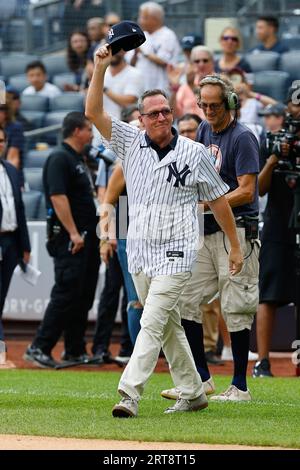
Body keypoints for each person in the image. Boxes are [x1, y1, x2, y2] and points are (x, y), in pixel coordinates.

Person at [86, 43, 244, 417]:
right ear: (141, 118)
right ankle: (193, 391)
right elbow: (92, 111)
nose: (161, 117)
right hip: (140, 250)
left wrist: (234, 247)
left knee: (152, 320)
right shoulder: (128, 141)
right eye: (153, 113)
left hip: (177, 250)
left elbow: (220, 201)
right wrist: (100, 68)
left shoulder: (194, 152)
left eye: (166, 111)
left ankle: (129, 394)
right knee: (168, 325)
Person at [162, 75, 260, 402]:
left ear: (230, 103)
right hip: (206, 231)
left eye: (214, 105)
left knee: (237, 306)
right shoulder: (204, 129)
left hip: (238, 231)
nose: (207, 110)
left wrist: (209, 202)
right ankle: (201, 379)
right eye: (203, 104)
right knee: (185, 299)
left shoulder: (243, 137)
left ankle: (240, 386)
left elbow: (247, 191)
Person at [24, 112, 100, 368]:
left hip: (86, 237)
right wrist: (73, 232)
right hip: (70, 238)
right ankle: (39, 346)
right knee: (66, 292)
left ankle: (74, 349)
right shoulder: (59, 158)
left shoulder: (78, 159)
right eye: (88, 129)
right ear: (77, 131)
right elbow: (58, 197)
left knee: (83, 293)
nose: (91, 134)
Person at [253, 86, 299, 377]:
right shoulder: (271, 140)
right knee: (268, 293)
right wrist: (274, 158)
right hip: (277, 223)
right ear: (287, 108)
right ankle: (262, 361)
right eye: (295, 105)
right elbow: (259, 188)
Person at [0, 126, 30, 364]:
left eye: (2, 140)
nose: (0, 144)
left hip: (10, 242)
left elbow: (19, 209)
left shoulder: (10, 169)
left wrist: (25, 246)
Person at [129, 1, 181, 91]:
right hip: (141, 88)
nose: (139, 20)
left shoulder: (167, 35)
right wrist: (135, 53)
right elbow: (130, 64)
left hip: (161, 88)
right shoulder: (140, 35)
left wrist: (143, 52)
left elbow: (164, 61)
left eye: (143, 17)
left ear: (154, 19)